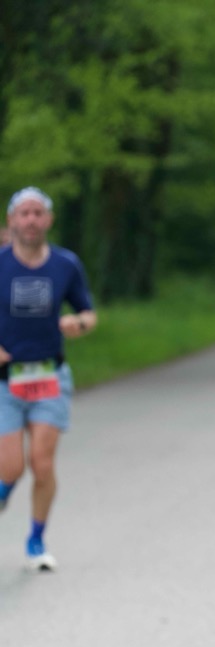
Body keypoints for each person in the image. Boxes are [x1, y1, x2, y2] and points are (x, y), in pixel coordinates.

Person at [0, 187, 97, 571]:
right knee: (11, 468)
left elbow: (89, 312)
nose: (31, 219)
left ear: (49, 220)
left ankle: (36, 541)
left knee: (42, 464)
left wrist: (79, 323)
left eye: (38, 212)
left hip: (49, 376)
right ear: (12, 220)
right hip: (5, 381)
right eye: (24, 213)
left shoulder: (65, 264)